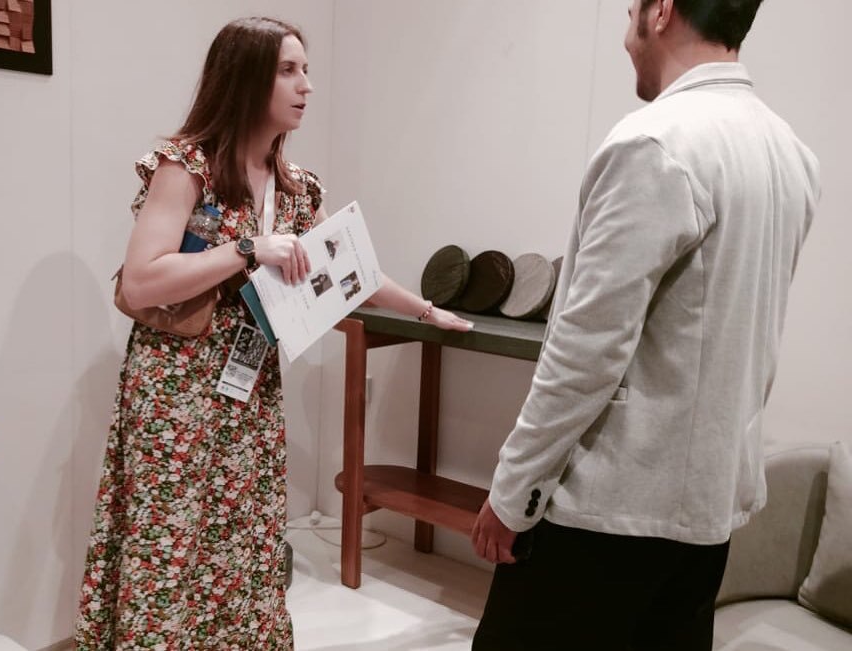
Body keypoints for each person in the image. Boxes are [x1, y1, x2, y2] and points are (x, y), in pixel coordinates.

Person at [75, 17, 472, 651]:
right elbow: (143, 280)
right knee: (170, 535)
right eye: (288, 71)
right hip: (176, 391)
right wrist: (247, 249)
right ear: (245, 77)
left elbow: (354, 276)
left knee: (243, 536)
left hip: (250, 387)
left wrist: (426, 310)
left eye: (306, 70)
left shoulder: (297, 188)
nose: (306, 86)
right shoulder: (187, 166)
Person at [471, 1, 820, 649]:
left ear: (662, 11)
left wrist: (512, 492)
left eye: (630, 6)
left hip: (609, 514)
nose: (625, 25)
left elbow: (585, 352)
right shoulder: (790, 155)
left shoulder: (656, 144)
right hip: (706, 516)